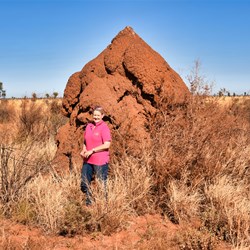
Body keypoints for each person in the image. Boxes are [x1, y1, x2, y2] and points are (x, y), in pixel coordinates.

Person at [80, 106, 111, 206]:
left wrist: (92, 150)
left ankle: (103, 205)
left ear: (102, 116)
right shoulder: (89, 126)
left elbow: (107, 144)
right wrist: (84, 149)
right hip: (88, 159)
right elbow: (85, 141)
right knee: (85, 182)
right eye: (94, 115)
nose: (96, 117)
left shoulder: (104, 128)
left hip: (100, 160)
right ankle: (89, 202)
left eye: (98, 115)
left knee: (101, 183)